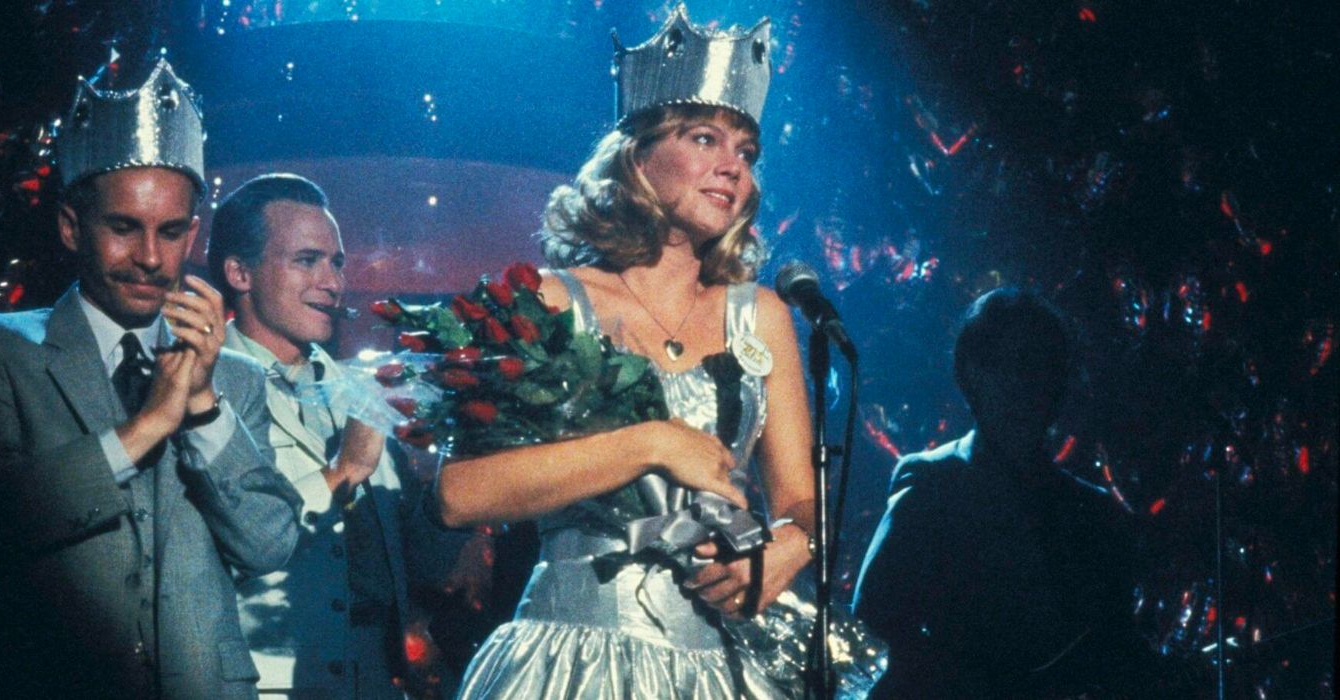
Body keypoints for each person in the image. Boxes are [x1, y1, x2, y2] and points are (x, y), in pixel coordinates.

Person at [442, 6, 818, 697]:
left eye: (746, 152)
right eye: (706, 139)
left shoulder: (761, 317)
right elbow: (461, 493)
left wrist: (793, 542)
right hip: (566, 660)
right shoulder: (552, 302)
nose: (731, 168)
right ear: (637, 154)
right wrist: (651, 442)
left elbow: (799, 497)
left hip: (719, 664)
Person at [0, 59, 301, 698]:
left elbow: (269, 545)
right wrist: (147, 427)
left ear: (193, 232)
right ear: (71, 227)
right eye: (123, 228)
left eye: (170, 232)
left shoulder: (232, 377)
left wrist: (205, 413)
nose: (150, 259)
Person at [207, 173, 484, 698]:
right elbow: (239, 544)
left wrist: (455, 473)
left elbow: (422, 567)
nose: (333, 282)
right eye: (307, 261)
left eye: (336, 263)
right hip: (268, 685)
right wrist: (347, 468)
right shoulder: (200, 388)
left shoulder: (363, 390)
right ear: (240, 273)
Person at [851, 288, 1159, 698]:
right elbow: (874, 605)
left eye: (1045, 365)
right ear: (974, 372)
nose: (1032, 383)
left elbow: (1114, 647)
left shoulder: (1092, 513)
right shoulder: (932, 480)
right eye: (1017, 363)